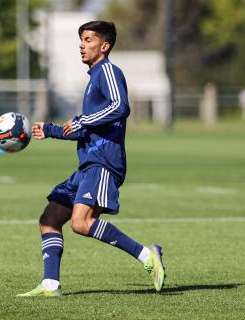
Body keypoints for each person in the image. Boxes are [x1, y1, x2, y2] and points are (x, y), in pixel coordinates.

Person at [17, 21, 165, 297]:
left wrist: (83, 120)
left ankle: (147, 255)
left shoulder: (108, 71)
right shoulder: (93, 78)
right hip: (88, 164)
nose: (81, 45)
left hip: (103, 163)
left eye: (87, 40)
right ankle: (51, 285)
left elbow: (120, 107)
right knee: (49, 218)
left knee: (81, 223)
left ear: (104, 46)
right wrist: (49, 130)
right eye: (81, 40)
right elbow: (85, 127)